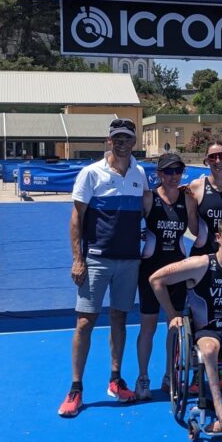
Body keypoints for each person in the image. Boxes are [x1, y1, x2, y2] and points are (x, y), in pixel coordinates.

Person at [59, 118, 148, 418]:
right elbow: (76, 218)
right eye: (117, 139)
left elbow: (149, 207)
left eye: (127, 139)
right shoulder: (90, 173)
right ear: (109, 141)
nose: (122, 144)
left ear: (134, 142)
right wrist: (77, 258)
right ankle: (75, 388)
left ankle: (115, 379)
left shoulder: (140, 173)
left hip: (129, 260)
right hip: (96, 260)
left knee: (119, 319)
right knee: (85, 322)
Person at [149, 214, 222, 433]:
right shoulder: (200, 264)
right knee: (209, 350)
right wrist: (172, 314)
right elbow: (156, 279)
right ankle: (219, 409)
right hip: (206, 330)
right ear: (218, 238)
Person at [134, 153, 198, 400]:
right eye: (168, 171)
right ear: (159, 174)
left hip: (177, 271)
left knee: (174, 325)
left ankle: (170, 374)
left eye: (178, 171)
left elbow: (195, 230)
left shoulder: (188, 200)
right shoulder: (148, 198)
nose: (173, 176)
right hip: (150, 270)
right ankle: (143, 377)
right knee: (148, 326)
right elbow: (130, 226)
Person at [187, 140, 222, 257]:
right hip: (203, 253)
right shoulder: (196, 187)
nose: (218, 161)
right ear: (207, 160)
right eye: (212, 157)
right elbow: (194, 228)